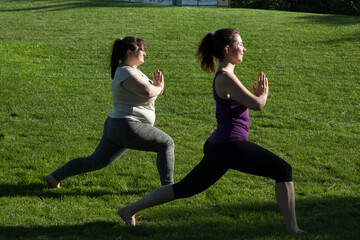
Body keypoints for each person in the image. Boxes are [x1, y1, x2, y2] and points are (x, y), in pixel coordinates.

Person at [118, 29, 303, 233]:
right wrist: (263, 95)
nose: (244, 48)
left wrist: (256, 96)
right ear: (227, 48)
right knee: (282, 170)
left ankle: (129, 210)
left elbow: (246, 102)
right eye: (240, 44)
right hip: (229, 145)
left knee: (184, 189)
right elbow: (257, 105)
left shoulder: (228, 76)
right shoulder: (225, 77)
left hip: (221, 146)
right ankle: (292, 228)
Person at [45, 36, 174, 188]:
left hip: (119, 126)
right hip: (127, 126)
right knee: (166, 143)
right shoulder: (125, 72)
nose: (145, 53)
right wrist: (157, 88)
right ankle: (168, 188)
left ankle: (54, 177)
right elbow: (146, 92)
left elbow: (151, 92)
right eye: (142, 50)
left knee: (95, 161)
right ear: (129, 52)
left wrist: (158, 87)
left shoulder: (133, 71)